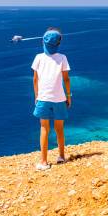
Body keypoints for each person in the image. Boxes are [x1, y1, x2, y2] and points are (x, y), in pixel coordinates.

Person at [31, 27, 71, 171]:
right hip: (59, 98)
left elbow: (35, 80)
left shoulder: (38, 58)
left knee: (44, 129)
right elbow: (66, 79)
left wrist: (36, 96)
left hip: (43, 98)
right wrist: (69, 95)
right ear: (59, 43)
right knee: (59, 128)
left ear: (43, 42)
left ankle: (43, 162)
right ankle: (61, 156)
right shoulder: (62, 58)